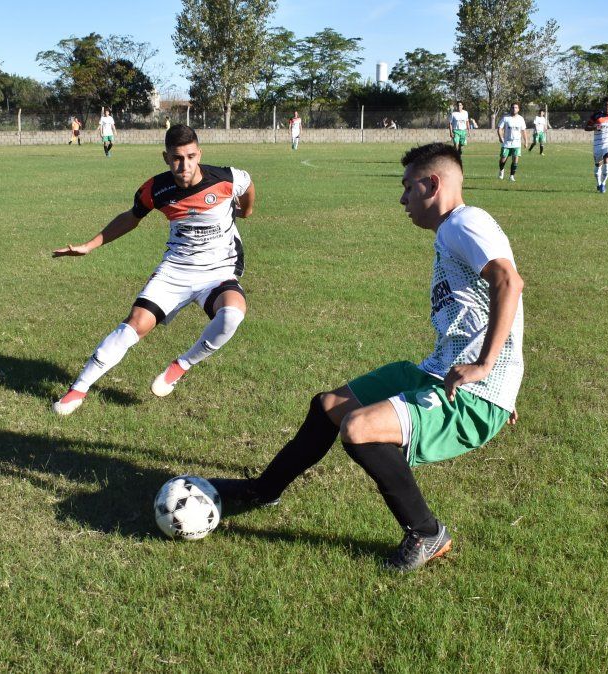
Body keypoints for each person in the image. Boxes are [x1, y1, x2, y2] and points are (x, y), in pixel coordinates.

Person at [210, 142, 524, 572]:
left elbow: (508, 281)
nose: (403, 199)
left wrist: (491, 372)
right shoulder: (457, 228)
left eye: (408, 187)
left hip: (470, 392)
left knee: (358, 430)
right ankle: (264, 490)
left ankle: (427, 533)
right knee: (329, 407)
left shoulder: (464, 223)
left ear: (432, 184)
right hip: (437, 372)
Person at [51, 124, 257, 415]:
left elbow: (247, 185)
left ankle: (180, 366)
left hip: (218, 270)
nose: (184, 165)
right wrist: (89, 245)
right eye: (176, 158)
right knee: (132, 326)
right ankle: (77, 390)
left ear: (199, 154)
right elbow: (130, 218)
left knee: (232, 316)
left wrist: (245, 211)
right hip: (176, 270)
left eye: (190, 156)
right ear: (165, 157)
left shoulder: (226, 178)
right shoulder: (156, 189)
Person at [585, 97, 608, 193]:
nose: (607, 107)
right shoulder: (596, 116)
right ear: (603, 106)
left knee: (607, 160)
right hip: (597, 144)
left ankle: (603, 184)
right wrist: (594, 127)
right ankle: (599, 183)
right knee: (598, 165)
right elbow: (586, 127)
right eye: (606, 105)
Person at [497, 103, 528, 182]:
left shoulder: (521, 119)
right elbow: (499, 128)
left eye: (516, 107)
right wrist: (500, 137)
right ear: (510, 108)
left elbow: (523, 131)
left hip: (517, 143)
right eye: (513, 107)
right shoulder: (506, 118)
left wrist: (526, 141)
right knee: (503, 159)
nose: (514, 109)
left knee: (515, 159)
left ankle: (511, 176)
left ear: (518, 109)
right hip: (507, 143)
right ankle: (501, 170)